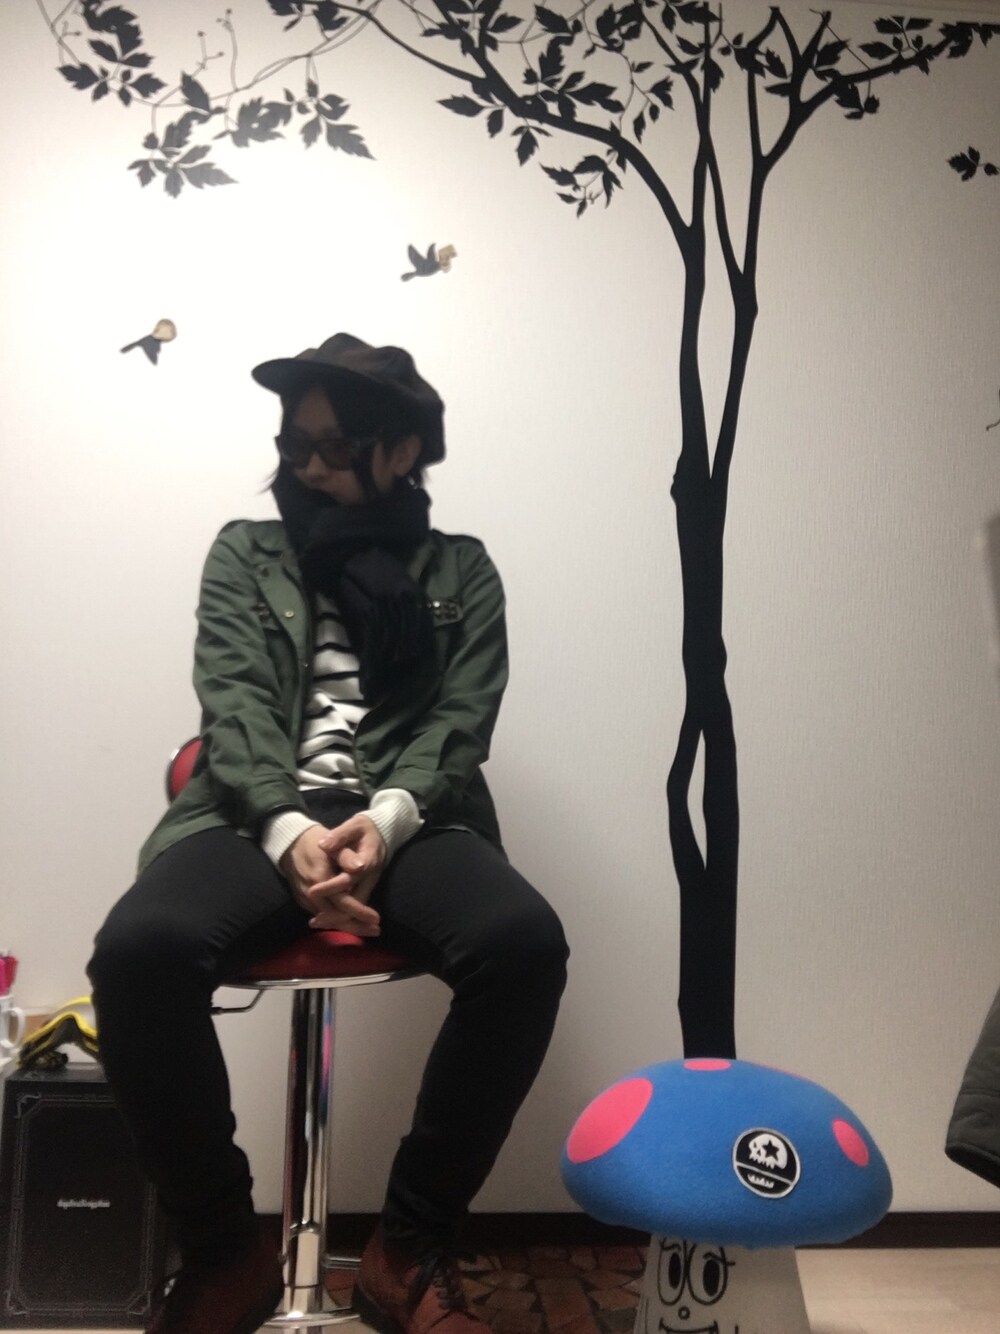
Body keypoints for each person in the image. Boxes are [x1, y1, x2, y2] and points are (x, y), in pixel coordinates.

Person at [87, 333, 570, 1334]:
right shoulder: (245, 552)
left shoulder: (462, 569)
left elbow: (460, 722)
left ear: (401, 449)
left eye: (334, 446)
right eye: (293, 443)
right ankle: (225, 1253)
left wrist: (384, 823)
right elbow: (232, 705)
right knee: (136, 952)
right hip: (253, 813)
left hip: (410, 816)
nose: (306, 466)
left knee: (523, 946)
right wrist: (285, 828)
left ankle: (406, 1249)